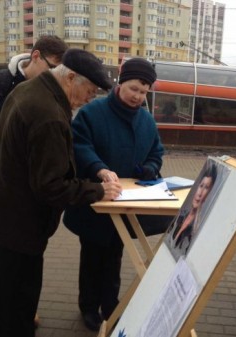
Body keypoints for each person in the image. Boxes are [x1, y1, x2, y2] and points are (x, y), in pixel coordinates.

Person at [0, 48, 122, 337]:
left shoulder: (30, 89)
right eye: (90, 91)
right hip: (21, 224)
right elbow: (51, 186)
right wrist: (98, 191)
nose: (90, 99)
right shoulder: (49, 115)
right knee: (18, 305)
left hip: (2, 214)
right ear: (71, 78)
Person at [0, 35, 68, 333]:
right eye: (52, 67)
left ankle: (20, 308)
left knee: (17, 255)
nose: (55, 75)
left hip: (22, 187)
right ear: (35, 57)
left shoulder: (48, 92)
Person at [63, 58, 165, 331]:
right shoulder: (93, 112)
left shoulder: (146, 120)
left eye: (144, 93)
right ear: (121, 84)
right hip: (95, 201)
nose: (138, 97)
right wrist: (99, 169)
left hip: (125, 203)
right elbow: (79, 145)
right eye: (134, 89)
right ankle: (88, 306)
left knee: (115, 255)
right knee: (92, 256)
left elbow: (157, 151)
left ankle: (110, 304)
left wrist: (151, 167)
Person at [170, 162, 217, 253]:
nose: (200, 193)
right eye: (201, 186)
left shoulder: (199, 228)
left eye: (206, 188)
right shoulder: (182, 217)